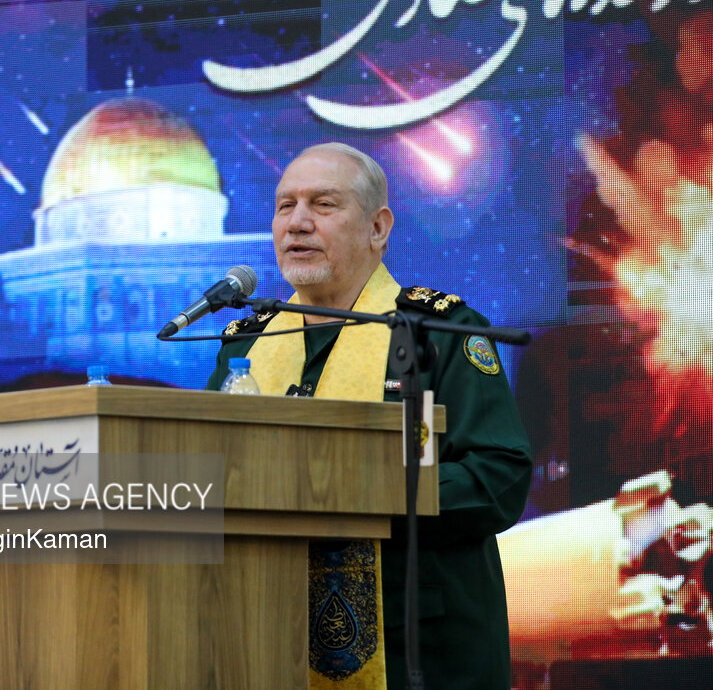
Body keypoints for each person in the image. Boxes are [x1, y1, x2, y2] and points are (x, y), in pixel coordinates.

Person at [206, 142, 533, 689]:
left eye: (323, 204)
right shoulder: (246, 345)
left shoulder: (436, 332)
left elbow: (499, 477)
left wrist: (353, 493)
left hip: (418, 646)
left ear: (378, 228)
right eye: (285, 206)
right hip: (270, 635)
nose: (297, 223)